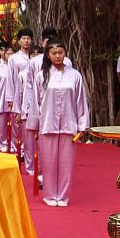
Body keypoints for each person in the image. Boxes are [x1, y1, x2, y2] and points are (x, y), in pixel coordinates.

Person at [32, 41, 90, 207]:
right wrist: (34, 125)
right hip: (47, 124)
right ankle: (50, 194)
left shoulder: (75, 75)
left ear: (65, 53)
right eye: (54, 53)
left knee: (66, 162)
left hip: (69, 124)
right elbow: (35, 102)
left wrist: (82, 125)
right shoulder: (41, 76)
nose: (57, 56)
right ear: (48, 55)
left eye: (60, 52)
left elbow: (81, 101)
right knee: (48, 161)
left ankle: (63, 195)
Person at [8, 29, 34, 158]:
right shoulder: (14, 59)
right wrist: (11, 98)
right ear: (19, 41)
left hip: (32, 97)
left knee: (30, 126)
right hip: (19, 95)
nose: (26, 41)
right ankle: (15, 150)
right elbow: (11, 78)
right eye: (24, 38)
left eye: (28, 38)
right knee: (17, 125)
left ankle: (27, 151)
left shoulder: (36, 57)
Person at [0, 46, 18, 152]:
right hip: (1, 100)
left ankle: (14, 144)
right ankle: (3, 143)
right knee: (1, 124)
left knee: (16, 125)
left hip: (16, 101)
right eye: (8, 54)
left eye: (12, 54)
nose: (10, 56)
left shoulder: (19, 69)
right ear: (4, 55)